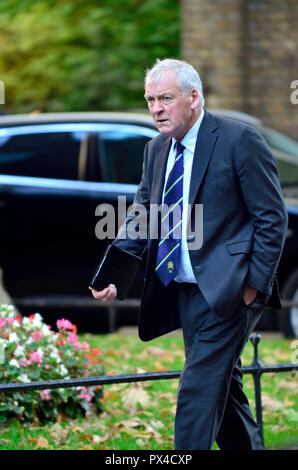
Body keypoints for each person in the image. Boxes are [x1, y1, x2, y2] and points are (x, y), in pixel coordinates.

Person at [90, 58, 288, 450]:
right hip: (182, 290)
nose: (156, 108)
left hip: (230, 289)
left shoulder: (239, 140)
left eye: (165, 98)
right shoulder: (155, 149)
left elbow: (272, 218)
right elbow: (143, 215)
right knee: (222, 387)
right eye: (150, 100)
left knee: (197, 388)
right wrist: (114, 271)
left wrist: (252, 286)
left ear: (193, 96)